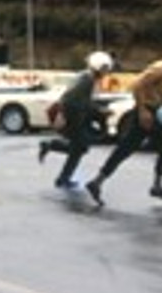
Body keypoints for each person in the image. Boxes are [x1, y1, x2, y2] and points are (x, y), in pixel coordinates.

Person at [84, 39, 162, 206]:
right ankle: (155, 186)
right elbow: (137, 86)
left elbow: (158, 94)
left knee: (127, 149)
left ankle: (97, 182)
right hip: (144, 112)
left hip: (149, 112)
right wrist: (143, 111)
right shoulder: (161, 69)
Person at [38, 50, 114, 189]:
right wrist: (99, 111)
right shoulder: (87, 80)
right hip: (74, 117)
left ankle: (51, 148)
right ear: (97, 66)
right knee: (79, 148)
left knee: (79, 148)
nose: (106, 72)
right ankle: (62, 176)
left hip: (75, 116)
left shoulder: (86, 76)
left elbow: (82, 100)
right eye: (104, 68)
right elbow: (74, 100)